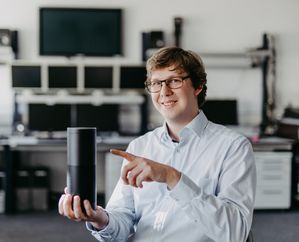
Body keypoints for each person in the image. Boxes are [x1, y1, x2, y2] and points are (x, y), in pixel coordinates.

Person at [58, 46, 256, 242]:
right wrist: (99, 218)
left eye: (174, 81)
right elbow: (122, 221)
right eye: (156, 83)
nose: (164, 91)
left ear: (198, 86)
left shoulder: (233, 147)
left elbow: (235, 232)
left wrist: (172, 177)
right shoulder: (139, 147)